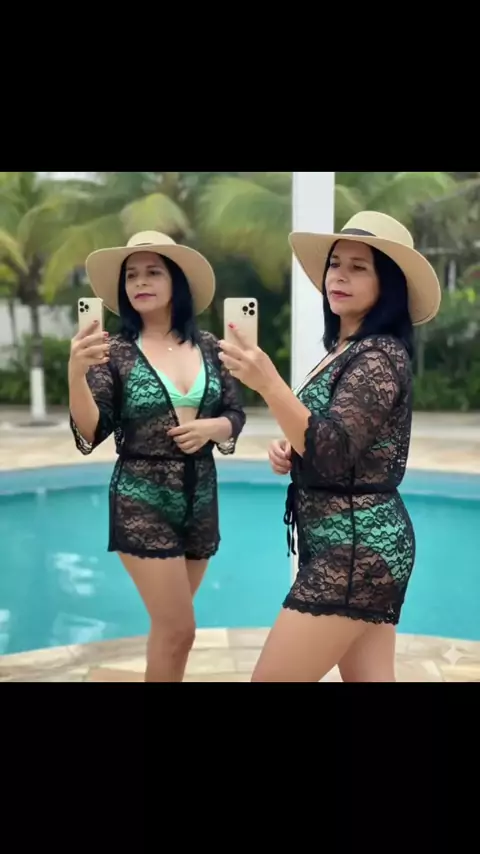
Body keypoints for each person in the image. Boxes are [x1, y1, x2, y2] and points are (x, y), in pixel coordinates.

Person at [218, 211, 441, 683]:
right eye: (335, 264)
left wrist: (269, 384)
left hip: (357, 547)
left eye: (358, 267)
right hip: (353, 544)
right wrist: (292, 448)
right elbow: (331, 436)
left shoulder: (379, 355)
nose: (339, 275)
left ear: (388, 284)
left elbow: (334, 451)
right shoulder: (347, 350)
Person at [68, 230, 246, 682]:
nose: (140, 282)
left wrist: (212, 428)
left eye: (153, 272)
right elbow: (91, 429)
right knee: (179, 628)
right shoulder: (114, 353)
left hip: (200, 498)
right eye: (131, 275)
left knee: (171, 633)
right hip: (141, 498)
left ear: (176, 282)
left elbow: (234, 413)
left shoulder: (210, 346)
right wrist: (75, 373)